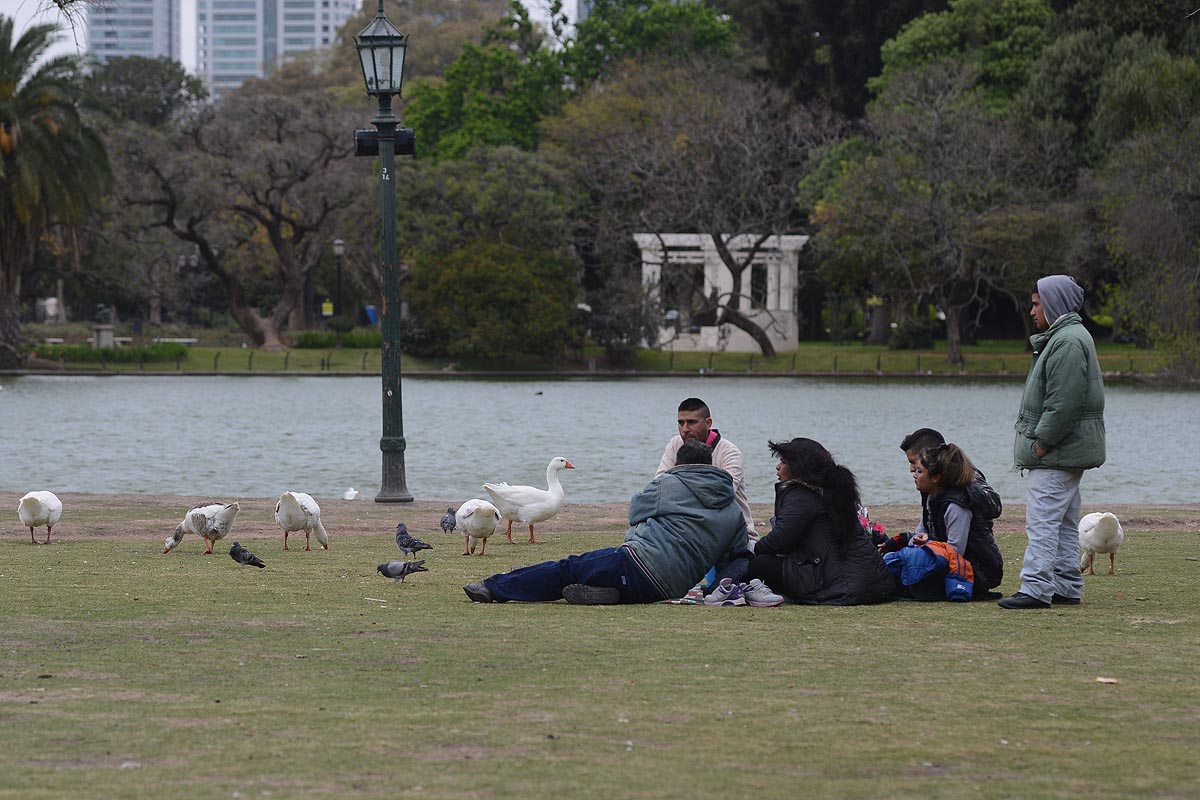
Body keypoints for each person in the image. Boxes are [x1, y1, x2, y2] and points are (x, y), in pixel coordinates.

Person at [463, 442, 751, 605]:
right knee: (605, 574)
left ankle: (493, 587)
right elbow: (737, 556)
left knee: (569, 567)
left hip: (639, 561)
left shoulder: (670, 484)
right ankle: (608, 593)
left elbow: (636, 512)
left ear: (678, 464)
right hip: (668, 589)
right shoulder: (733, 510)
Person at [999, 275, 1106, 609]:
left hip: (1056, 452)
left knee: (1043, 521)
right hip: (1065, 451)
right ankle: (1066, 586)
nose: (1031, 311)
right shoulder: (1067, 337)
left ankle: (1035, 588)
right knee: (1062, 522)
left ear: (1053, 302)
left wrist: (1040, 444)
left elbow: (1064, 403)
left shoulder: (1067, 341)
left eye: (1036, 303)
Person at [747, 438, 895, 605]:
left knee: (758, 565)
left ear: (798, 467)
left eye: (783, 462)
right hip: (875, 583)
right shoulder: (833, 490)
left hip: (844, 587)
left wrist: (754, 547)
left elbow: (781, 539)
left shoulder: (802, 495)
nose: (778, 467)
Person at [892, 429, 1005, 598]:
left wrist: (962, 495)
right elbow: (929, 524)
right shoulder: (933, 488)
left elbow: (995, 505)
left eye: (913, 462)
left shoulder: (963, 484)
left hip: (972, 563)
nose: (911, 469)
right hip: (948, 553)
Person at [656, 397, 755, 536]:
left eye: (691, 422)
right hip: (688, 531)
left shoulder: (730, 453)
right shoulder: (675, 444)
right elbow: (659, 486)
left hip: (735, 533)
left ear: (708, 423)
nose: (685, 429)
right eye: (681, 423)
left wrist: (677, 488)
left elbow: (720, 496)